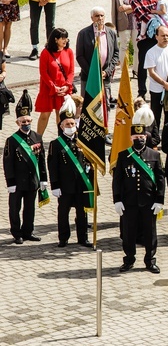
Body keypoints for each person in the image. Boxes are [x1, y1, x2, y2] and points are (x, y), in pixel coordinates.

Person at [112, 115, 165, 273]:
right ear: (131, 137)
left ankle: (150, 260)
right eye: (136, 137)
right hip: (129, 201)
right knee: (129, 232)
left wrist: (159, 200)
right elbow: (117, 180)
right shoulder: (123, 155)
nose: (139, 139)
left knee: (150, 233)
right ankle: (129, 260)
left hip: (148, 201)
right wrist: (117, 200)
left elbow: (161, 179)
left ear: (146, 137)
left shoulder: (154, 155)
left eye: (142, 137)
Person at [48, 98, 92, 248]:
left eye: (72, 123)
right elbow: (52, 166)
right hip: (65, 185)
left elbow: (88, 162)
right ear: (61, 126)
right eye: (67, 124)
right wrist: (55, 185)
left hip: (80, 185)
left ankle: (83, 238)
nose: (70, 126)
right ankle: (63, 238)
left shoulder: (82, 142)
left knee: (82, 213)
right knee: (63, 213)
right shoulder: (56, 144)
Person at [4, 94, 47, 244]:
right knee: (15, 209)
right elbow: (7, 163)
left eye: (28, 121)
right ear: (18, 123)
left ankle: (28, 231)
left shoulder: (37, 137)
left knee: (30, 208)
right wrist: (10, 183)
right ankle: (17, 233)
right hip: (18, 181)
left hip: (32, 181)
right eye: (23, 122)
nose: (26, 124)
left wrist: (44, 179)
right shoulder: (11, 140)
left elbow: (42, 160)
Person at [144, 25, 168, 139]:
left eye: (167, 35)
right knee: (155, 116)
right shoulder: (151, 52)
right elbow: (151, 72)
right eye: (162, 36)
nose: (165, 38)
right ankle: (154, 139)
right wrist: (164, 84)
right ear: (156, 37)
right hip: (156, 90)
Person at [76, 6, 119, 107]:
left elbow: (116, 53)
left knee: (105, 106)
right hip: (89, 78)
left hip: (105, 77)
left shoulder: (111, 33)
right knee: (89, 106)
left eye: (102, 16)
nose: (100, 18)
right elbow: (79, 56)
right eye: (97, 16)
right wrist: (93, 73)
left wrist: (107, 71)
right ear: (92, 18)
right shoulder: (83, 33)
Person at [35, 28, 75, 136]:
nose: (65, 40)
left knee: (61, 115)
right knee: (45, 115)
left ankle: (62, 138)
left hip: (63, 89)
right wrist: (53, 86)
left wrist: (67, 86)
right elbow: (43, 72)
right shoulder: (45, 52)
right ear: (56, 39)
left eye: (66, 38)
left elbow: (71, 72)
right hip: (48, 88)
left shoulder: (69, 52)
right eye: (63, 38)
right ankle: (38, 139)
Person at [129, 0, 159, 99]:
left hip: (157, 34)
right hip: (144, 35)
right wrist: (153, 17)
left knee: (159, 62)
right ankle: (141, 92)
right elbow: (139, 12)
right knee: (142, 64)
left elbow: (159, 8)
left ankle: (159, 88)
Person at [111, 0, 137, 75]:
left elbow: (139, 4)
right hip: (123, 24)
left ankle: (136, 69)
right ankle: (123, 70)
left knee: (137, 47)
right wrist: (114, 27)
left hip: (135, 22)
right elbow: (117, 11)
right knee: (123, 46)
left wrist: (127, 8)